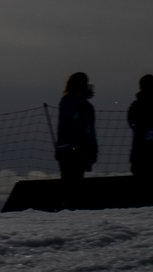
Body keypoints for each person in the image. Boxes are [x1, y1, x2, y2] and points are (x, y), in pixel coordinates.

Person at [55, 71, 97, 207]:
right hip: (75, 151)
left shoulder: (66, 102)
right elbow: (88, 131)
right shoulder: (82, 106)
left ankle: (69, 207)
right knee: (74, 184)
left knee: (70, 184)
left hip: (67, 150)